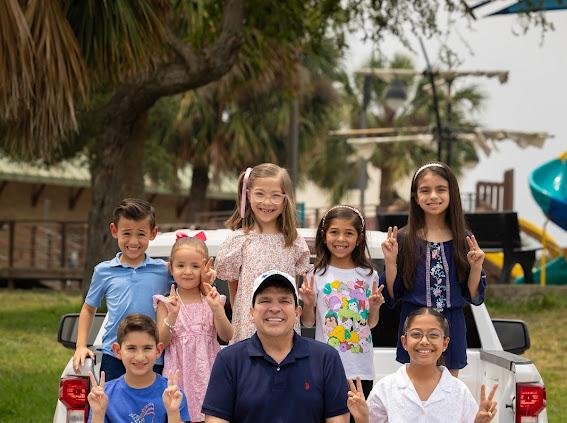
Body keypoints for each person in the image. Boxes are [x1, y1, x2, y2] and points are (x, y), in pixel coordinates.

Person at [380, 162, 487, 376]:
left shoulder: (464, 239)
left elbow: (473, 295)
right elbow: (392, 294)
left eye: (441, 189)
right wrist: (391, 262)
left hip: (452, 325)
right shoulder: (403, 239)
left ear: (452, 194)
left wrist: (476, 267)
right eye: (425, 190)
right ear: (415, 197)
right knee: (413, 389)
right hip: (414, 324)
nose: (433, 196)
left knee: (449, 388)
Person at [201, 270, 350, 423]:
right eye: (265, 300)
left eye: (284, 301)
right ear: (251, 313)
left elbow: (338, 419)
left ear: (297, 312)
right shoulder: (229, 360)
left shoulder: (326, 358)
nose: (274, 308)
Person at [300, 205, 384, 416]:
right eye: (334, 232)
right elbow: (308, 323)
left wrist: (374, 307)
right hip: (326, 366)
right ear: (324, 235)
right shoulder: (315, 275)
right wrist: (308, 303)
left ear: (359, 238)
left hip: (361, 369)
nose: (341, 239)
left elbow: (371, 324)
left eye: (349, 233)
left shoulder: (369, 275)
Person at [73, 198, 170, 381]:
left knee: (152, 400)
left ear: (153, 233)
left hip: (153, 356)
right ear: (114, 231)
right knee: (113, 400)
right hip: (114, 355)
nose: (133, 241)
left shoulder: (165, 271)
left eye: (141, 234)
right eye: (126, 233)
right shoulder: (103, 271)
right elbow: (88, 309)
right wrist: (80, 346)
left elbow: (191, 286)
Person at [346, 307, 498, 423]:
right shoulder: (385, 388)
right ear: (404, 342)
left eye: (433, 335)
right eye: (416, 334)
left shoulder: (459, 391)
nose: (424, 341)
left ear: (445, 343)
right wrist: (362, 419)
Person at [215, 163, 311, 343]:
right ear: (248, 194)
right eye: (260, 194)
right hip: (249, 328)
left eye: (275, 195)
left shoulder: (293, 241)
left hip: (285, 329)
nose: (267, 202)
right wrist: (241, 321)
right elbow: (234, 289)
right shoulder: (239, 240)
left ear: (285, 199)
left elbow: (293, 290)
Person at [154, 232, 233, 423]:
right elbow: (160, 343)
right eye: (181, 265)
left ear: (205, 268)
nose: (187, 271)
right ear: (171, 267)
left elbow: (227, 335)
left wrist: (217, 309)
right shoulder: (166, 302)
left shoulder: (212, 299)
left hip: (209, 375)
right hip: (178, 375)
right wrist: (172, 316)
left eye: (195, 266)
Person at [87, 313, 190, 423]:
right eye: (131, 348)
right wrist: (98, 414)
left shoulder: (173, 395)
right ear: (117, 351)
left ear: (158, 350)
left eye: (147, 348)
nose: (140, 357)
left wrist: (173, 413)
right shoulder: (104, 396)